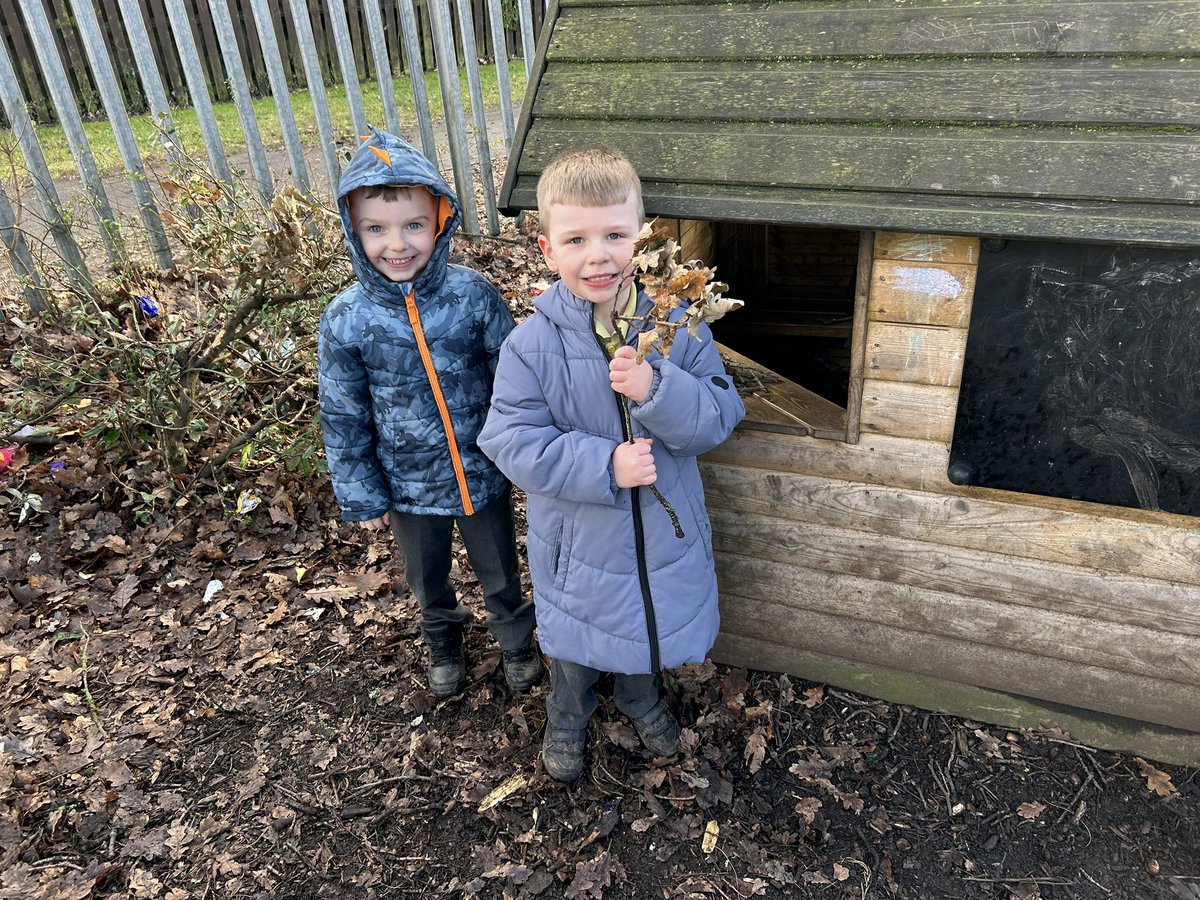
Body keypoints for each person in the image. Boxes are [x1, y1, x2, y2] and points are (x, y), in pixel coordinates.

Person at [477, 147, 745, 781]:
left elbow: (719, 414)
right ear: (548, 250)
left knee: (643, 629)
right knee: (577, 645)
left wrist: (657, 390)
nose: (597, 255)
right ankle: (565, 716)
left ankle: (639, 698)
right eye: (576, 239)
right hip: (582, 544)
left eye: (615, 236)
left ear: (643, 238)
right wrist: (604, 466)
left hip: (660, 535)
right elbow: (510, 439)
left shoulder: (677, 324)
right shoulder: (532, 343)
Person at [318, 128, 541, 699]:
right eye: (377, 229)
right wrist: (361, 493)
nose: (397, 244)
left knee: (500, 567)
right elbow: (343, 414)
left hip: (481, 470)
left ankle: (516, 638)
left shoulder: (474, 295)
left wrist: (531, 451)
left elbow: (516, 378)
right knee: (426, 575)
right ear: (353, 230)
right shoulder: (347, 319)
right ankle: (442, 636)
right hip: (406, 482)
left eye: (413, 225)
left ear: (440, 221)